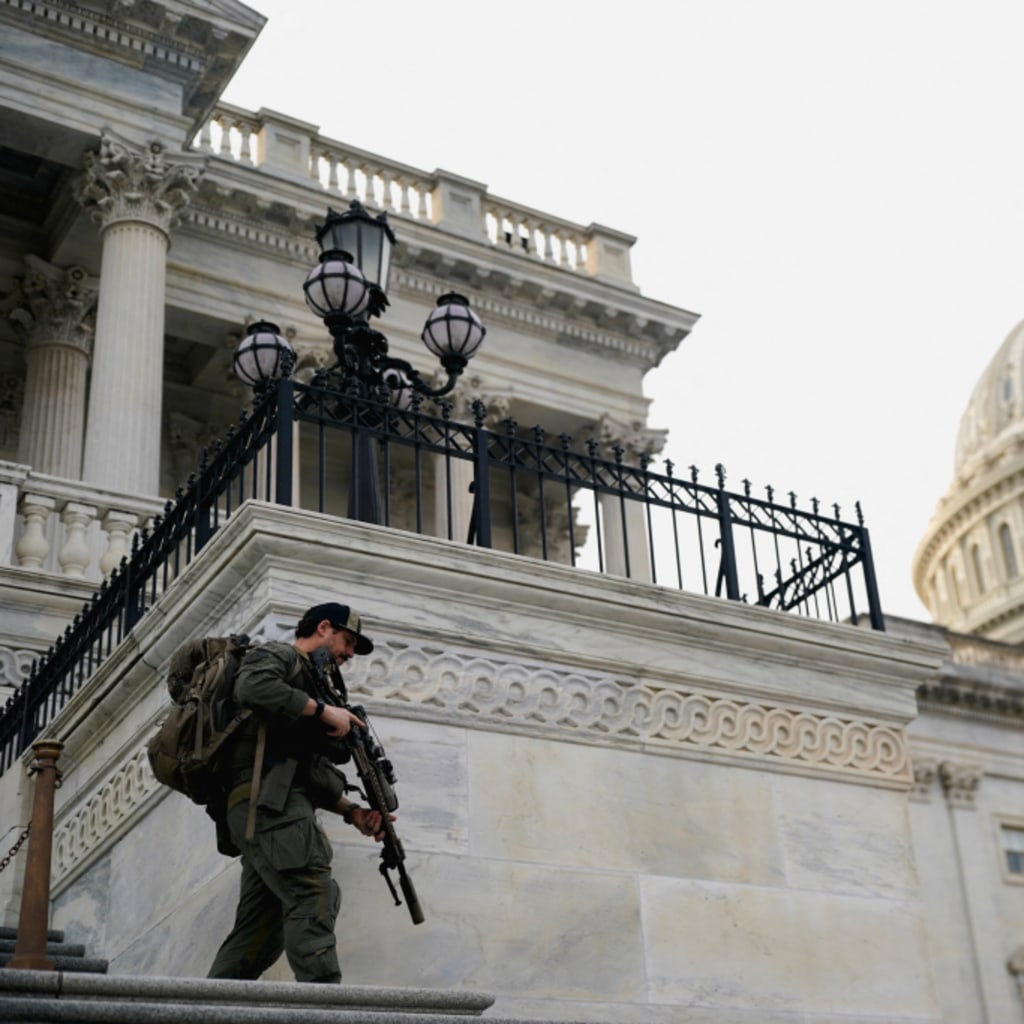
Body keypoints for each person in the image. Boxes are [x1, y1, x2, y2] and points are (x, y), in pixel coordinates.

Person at [208, 602, 389, 983]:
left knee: (259, 931)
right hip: (267, 805)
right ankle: (324, 1010)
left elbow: (301, 770)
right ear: (324, 627)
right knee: (313, 895)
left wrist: (352, 811)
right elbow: (252, 685)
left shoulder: (311, 684)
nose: (350, 654)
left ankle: (205, 1007)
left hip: (267, 806)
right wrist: (324, 711)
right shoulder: (279, 655)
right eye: (348, 640)